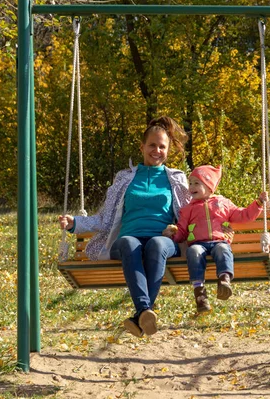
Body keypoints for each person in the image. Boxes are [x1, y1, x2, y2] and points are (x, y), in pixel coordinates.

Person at [59, 116, 191, 338]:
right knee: (130, 244)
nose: (156, 150)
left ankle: (140, 314)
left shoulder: (177, 178)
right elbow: (106, 217)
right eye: (152, 145)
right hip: (128, 239)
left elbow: (188, 215)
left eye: (162, 146)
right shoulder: (124, 178)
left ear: (168, 150)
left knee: (157, 245)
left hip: (164, 240)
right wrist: (76, 224)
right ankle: (143, 312)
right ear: (142, 147)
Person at [162, 165, 267, 314]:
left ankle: (224, 280)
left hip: (219, 241)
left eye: (196, 183)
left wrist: (258, 204)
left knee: (223, 249)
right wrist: (173, 233)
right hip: (199, 244)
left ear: (209, 186)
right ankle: (199, 293)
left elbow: (243, 215)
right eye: (190, 183)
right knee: (194, 251)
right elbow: (183, 231)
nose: (191, 187)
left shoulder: (222, 203)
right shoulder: (188, 209)